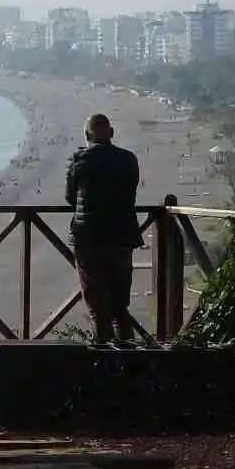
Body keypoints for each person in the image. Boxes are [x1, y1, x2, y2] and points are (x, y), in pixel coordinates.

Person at [64, 113, 144, 346]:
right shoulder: (128, 159)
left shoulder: (80, 159)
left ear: (87, 135)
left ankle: (102, 362)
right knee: (120, 306)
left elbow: (70, 198)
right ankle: (129, 362)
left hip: (88, 238)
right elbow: (131, 192)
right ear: (111, 132)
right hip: (122, 236)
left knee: (98, 306)